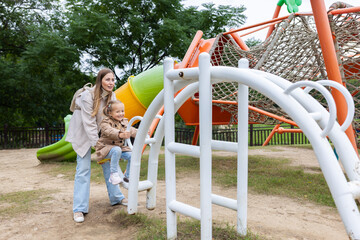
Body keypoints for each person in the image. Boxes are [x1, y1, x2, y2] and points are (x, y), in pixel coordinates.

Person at [65, 68, 128, 223]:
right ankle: (79, 208)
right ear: (100, 80)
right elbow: (89, 124)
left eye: (113, 80)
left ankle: (116, 197)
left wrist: (118, 135)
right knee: (83, 168)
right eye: (108, 79)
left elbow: (113, 118)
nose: (111, 83)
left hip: (101, 133)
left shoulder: (112, 95)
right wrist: (98, 146)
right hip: (82, 132)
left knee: (109, 163)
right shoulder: (87, 96)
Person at [95, 100, 137, 185]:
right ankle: (113, 174)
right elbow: (109, 131)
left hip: (119, 149)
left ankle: (128, 176)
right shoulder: (105, 122)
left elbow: (131, 130)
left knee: (133, 155)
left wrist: (142, 132)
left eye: (122, 111)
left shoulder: (123, 122)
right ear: (110, 113)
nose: (121, 113)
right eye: (117, 112)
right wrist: (120, 134)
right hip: (105, 149)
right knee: (116, 149)